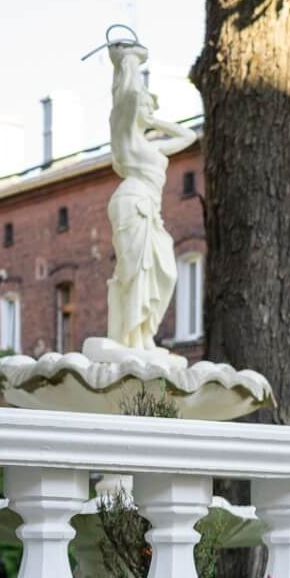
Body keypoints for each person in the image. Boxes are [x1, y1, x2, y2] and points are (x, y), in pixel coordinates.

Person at [104, 39, 196, 355]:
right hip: (132, 203)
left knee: (164, 270)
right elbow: (127, 99)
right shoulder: (127, 138)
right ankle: (132, 338)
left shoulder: (152, 145)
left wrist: (154, 120)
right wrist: (128, 63)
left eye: (151, 107)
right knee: (134, 272)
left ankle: (143, 332)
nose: (149, 109)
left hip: (150, 210)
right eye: (146, 105)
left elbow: (189, 136)